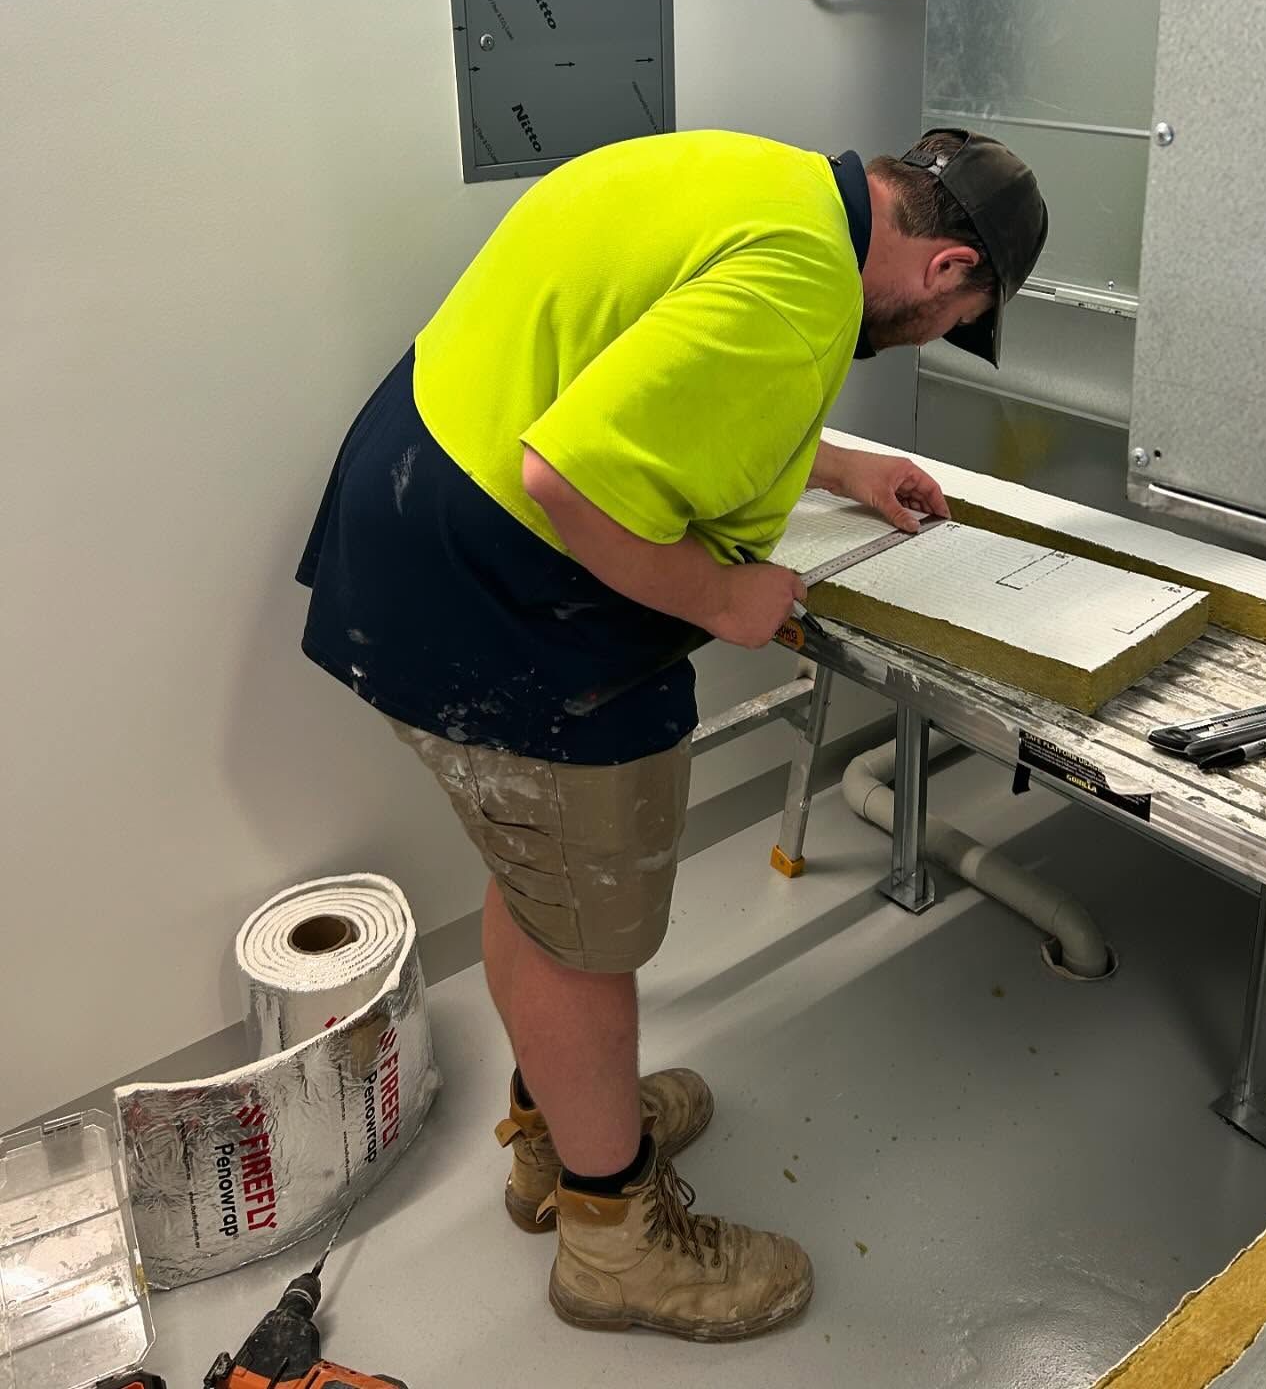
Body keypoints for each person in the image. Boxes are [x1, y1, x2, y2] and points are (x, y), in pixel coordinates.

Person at [297, 126, 1046, 1341]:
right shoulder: (804, 288)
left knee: (537, 883)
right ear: (948, 265)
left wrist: (838, 465)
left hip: (417, 516)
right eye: (960, 319)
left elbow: (654, 373)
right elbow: (571, 480)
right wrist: (725, 599)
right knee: (586, 929)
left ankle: (561, 1134)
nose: (942, 334)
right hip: (508, 588)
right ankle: (615, 1240)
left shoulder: (764, 179)